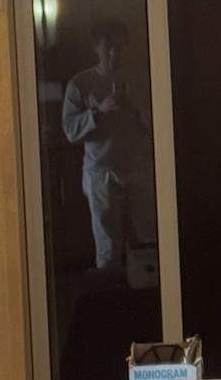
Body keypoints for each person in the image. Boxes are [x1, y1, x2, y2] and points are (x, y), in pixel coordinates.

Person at [62, 18, 156, 272]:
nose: (114, 52)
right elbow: (70, 130)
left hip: (140, 170)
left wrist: (136, 108)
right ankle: (110, 302)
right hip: (101, 174)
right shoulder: (81, 84)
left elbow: (164, 124)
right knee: (107, 248)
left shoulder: (143, 79)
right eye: (108, 46)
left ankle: (152, 299)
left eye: (119, 46)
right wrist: (97, 111)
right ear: (96, 47)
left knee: (151, 240)